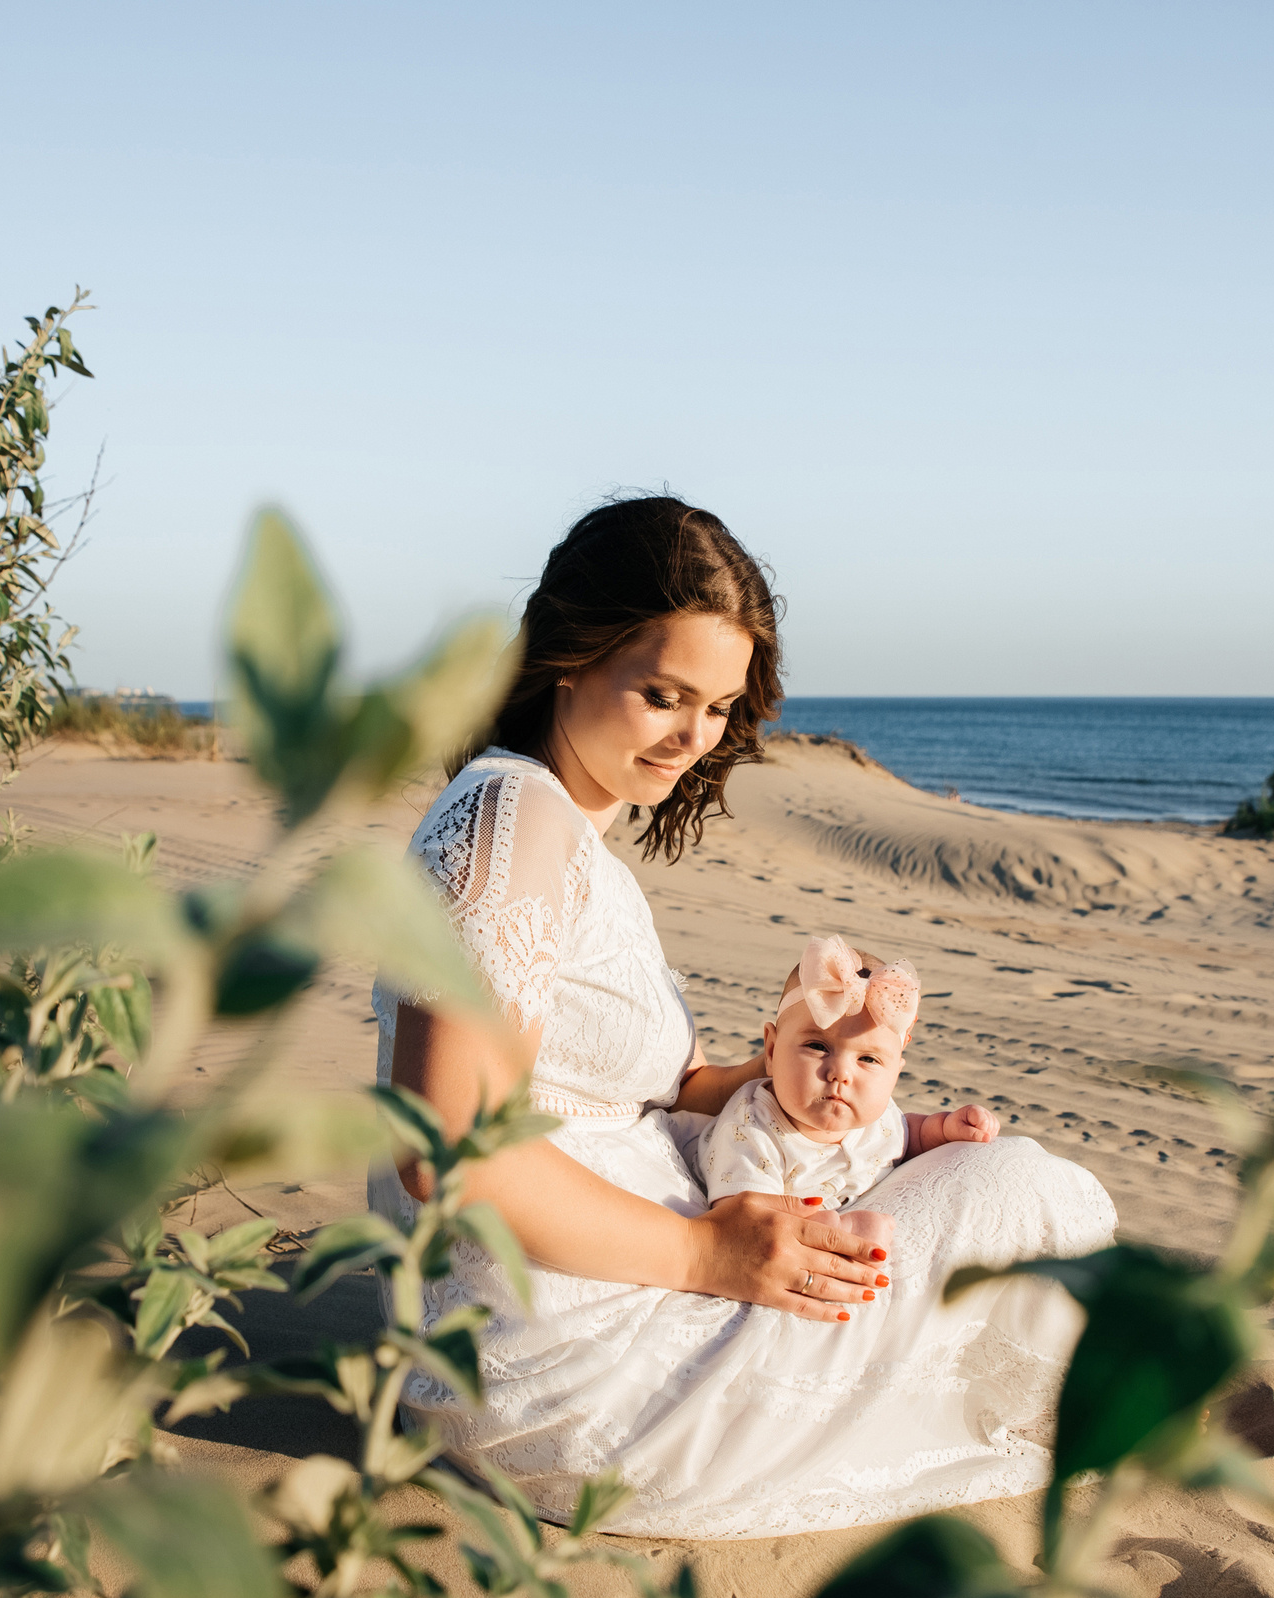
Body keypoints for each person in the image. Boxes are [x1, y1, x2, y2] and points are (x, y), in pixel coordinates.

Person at [369, 496, 1120, 1540]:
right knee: (1034, 1197)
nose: (691, 737)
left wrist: (821, 1072)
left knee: (968, 1175)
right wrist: (706, 1259)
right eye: (663, 694)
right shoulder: (512, 820)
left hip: (605, 1283)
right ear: (566, 658)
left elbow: (654, 1092)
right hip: (573, 1366)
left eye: (718, 707)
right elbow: (444, 1148)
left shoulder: (556, 826)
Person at [698, 934, 1004, 1255]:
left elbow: (907, 1135)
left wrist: (943, 1128)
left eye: (868, 1059)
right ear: (772, 1051)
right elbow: (742, 1217)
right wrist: (839, 1228)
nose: (840, 1073)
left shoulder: (877, 1118)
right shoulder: (750, 1130)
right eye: (818, 1047)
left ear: (895, 1073)